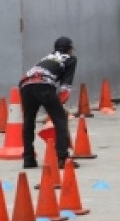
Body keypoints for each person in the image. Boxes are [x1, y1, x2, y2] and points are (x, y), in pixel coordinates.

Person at [18, 36, 77, 170]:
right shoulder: (69, 59)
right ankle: (62, 158)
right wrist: (61, 104)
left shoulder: (47, 58)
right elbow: (65, 85)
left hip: (25, 83)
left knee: (28, 120)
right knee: (60, 120)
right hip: (43, 84)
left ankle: (28, 159)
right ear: (69, 49)